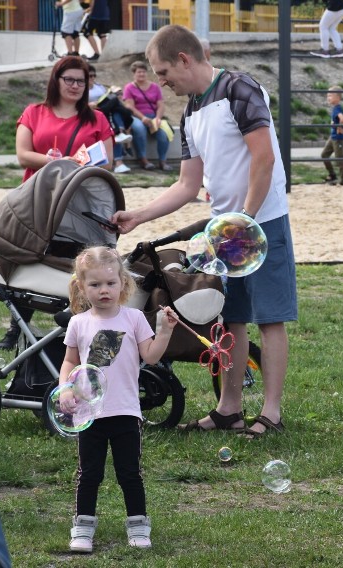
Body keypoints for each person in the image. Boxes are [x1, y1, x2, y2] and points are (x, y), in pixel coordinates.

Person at [113, 25, 297, 439]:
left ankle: (270, 412)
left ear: (184, 59)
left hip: (261, 224)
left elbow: (263, 161)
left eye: (162, 71)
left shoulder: (239, 89)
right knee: (229, 319)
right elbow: (186, 185)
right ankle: (228, 409)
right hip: (224, 232)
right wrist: (139, 215)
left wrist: (244, 222)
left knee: (270, 318)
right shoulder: (190, 112)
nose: (160, 80)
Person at [0, 56, 115, 352]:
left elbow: (108, 161)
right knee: (29, 257)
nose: (75, 86)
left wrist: (77, 165)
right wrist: (56, 162)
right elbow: (23, 154)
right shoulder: (34, 112)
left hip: (80, 202)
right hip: (39, 200)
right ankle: (16, 327)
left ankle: (85, 323)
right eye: (69, 79)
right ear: (56, 80)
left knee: (80, 260)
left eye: (81, 81)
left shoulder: (96, 118)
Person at [60, 246, 178, 553]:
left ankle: (138, 525)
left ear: (123, 284)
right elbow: (70, 362)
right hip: (89, 414)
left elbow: (150, 357)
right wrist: (66, 388)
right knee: (89, 474)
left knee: (129, 473)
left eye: (110, 283)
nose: (103, 290)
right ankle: (83, 528)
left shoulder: (135, 318)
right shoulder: (79, 323)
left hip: (126, 412)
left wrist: (164, 332)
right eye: (95, 285)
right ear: (82, 287)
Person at [123, 60, 171, 171]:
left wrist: (158, 118)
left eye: (143, 72)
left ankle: (163, 161)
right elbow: (130, 106)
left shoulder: (155, 87)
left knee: (163, 134)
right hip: (136, 117)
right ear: (134, 74)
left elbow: (161, 105)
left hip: (153, 116)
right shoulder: (129, 88)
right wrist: (143, 118)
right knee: (139, 129)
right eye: (139, 72)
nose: (141, 74)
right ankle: (143, 159)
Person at [88, 65, 132, 174]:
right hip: (92, 113)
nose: (92, 78)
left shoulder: (99, 87)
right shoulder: (81, 88)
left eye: (94, 75)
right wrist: (88, 105)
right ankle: (121, 131)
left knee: (115, 108)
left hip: (105, 112)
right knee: (116, 106)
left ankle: (119, 131)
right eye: (89, 76)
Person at [321, 85, 343, 185]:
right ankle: (332, 175)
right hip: (333, 137)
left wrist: (340, 127)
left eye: (330, 96)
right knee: (324, 155)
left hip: (338, 138)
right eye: (328, 96)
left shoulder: (337, 109)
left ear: (337, 97)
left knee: (339, 159)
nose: (328, 98)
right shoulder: (335, 108)